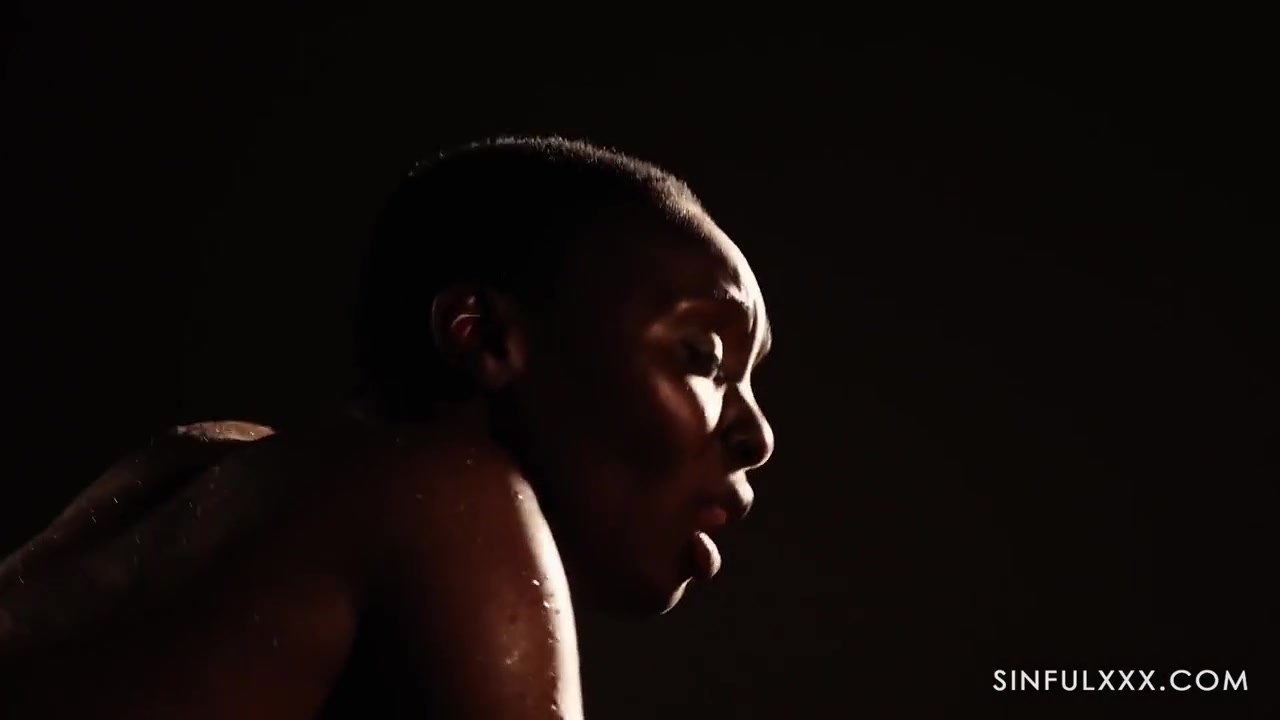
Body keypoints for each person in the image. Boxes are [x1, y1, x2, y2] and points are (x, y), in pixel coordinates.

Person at [0, 136, 775, 718]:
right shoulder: (449, 496)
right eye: (703, 357)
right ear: (484, 338)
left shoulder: (198, 472)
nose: (757, 437)